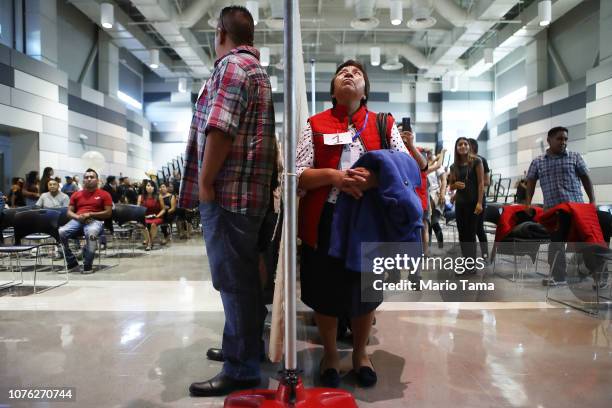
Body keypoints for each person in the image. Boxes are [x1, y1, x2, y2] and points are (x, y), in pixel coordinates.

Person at [296, 59, 422, 389]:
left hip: (370, 220)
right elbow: (299, 173)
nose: (349, 75)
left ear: (365, 90)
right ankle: (329, 355)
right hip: (325, 217)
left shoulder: (383, 123)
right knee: (324, 289)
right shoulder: (314, 124)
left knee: (366, 290)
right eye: (342, 72)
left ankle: (360, 354)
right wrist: (334, 177)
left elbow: (407, 168)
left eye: (357, 74)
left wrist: (374, 180)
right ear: (333, 89)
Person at [178, 6, 277, 397]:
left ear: (220, 32)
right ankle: (243, 348)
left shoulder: (232, 68)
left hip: (229, 194)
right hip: (246, 194)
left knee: (233, 282)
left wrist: (205, 183)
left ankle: (241, 368)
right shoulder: (254, 69)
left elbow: (220, 128)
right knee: (242, 281)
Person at [525, 126, 596, 286]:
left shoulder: (575, 157)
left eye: (565, 139)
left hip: (576, 209)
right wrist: (527, 203)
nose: (563, 142)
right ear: (549, 140)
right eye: (559, 138)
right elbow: (530, 182)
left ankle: (598, 275)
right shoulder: (538, 161)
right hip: (553, 211)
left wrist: (592, 201)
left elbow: (586, 179)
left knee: (584, 242)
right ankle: (559, 277)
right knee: (556, 243)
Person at [58, 169, 112, 274]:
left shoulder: (104, 194)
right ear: (83, 180)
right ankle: (71, 262)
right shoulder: (76, 194)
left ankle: (87, 264)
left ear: (97, 180)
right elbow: (69, 212)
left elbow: (108, 213)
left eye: (92, 177)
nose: (89, 179)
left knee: (91, 232)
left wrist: (91, 214)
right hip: (78, 220)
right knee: (61, 232)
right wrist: (77, 217)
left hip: (95, 221)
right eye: (86, 177)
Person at [448, 137, 484, 275]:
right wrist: (454, 185)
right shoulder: (453, 166)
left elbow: (481, 184)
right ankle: (466, 263)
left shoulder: (476, 161)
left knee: (471, 234)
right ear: (456, 148)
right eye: (459, 145)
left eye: (465, 144)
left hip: (474, 203)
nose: (462, 146)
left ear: (469, 146)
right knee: (463, 235)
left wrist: (480, 202)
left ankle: (472, 265)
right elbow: (451, 186)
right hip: (460, 204)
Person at [468, 138, 491, 260]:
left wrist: (474, 182)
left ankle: (485, 254)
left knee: (478, 228)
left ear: (473, 147)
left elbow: (487, 181)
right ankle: (469, 257)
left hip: (478, 199)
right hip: (466, 201)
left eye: (466, 144)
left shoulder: (481, 160)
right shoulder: (463, 162)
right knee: (468, 229)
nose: (464, 147)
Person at [427, 149, 447, 249]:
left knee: (432, 221)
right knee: (429, 222)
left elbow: (444, 179)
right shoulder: (420, 160)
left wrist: (443, 193)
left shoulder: (435, 160)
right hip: (424, 195)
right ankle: (429, 247)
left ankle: (439, 247)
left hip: (435, 194)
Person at [138, 180, 165, 251]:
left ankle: (149, 243)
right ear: (145, 187)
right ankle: (149, 241)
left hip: (156, 216)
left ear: (154, 188)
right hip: (145, 217)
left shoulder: (159, 196)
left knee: (153, 224)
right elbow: (138, 209)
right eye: (148, 185)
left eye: (152, 186)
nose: (150, 187)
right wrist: (143, 216)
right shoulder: (140, 197)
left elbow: (163, 209)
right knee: (141, 224)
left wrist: (157, 216)